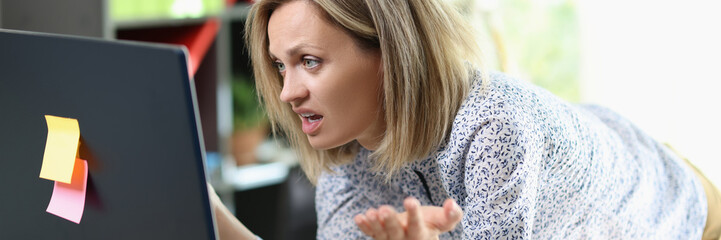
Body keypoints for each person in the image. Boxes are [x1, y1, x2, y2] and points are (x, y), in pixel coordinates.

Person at [210, 0, 721, 239]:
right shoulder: (348, 152)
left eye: (310, 62)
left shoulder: (493, 125)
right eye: (280, 65)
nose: (287, 92)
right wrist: (209, 210)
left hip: (668, 202)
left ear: (389, 53)